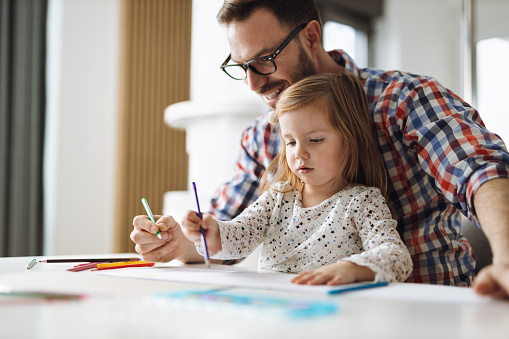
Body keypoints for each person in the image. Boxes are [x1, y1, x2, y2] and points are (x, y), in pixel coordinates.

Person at [131, 0, 509, 298]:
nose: (253, 84)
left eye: (264, 60)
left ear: (311, 36)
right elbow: (226, 236)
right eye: (241, 66)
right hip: (303, 312)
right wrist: (178, 242)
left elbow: (482, 172)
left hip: (423, 308)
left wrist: (506, 258)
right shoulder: (262, 135)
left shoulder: (405, 100)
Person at [181, 72, 413, 285]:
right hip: (278, 309)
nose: (299, 153)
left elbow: (397, 256)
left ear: (350, 139)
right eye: (290, 142)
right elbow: (241, 235)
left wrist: (352, 269)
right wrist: (213, 233)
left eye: (315, 140)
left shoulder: (363, 201)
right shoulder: (278, 196)